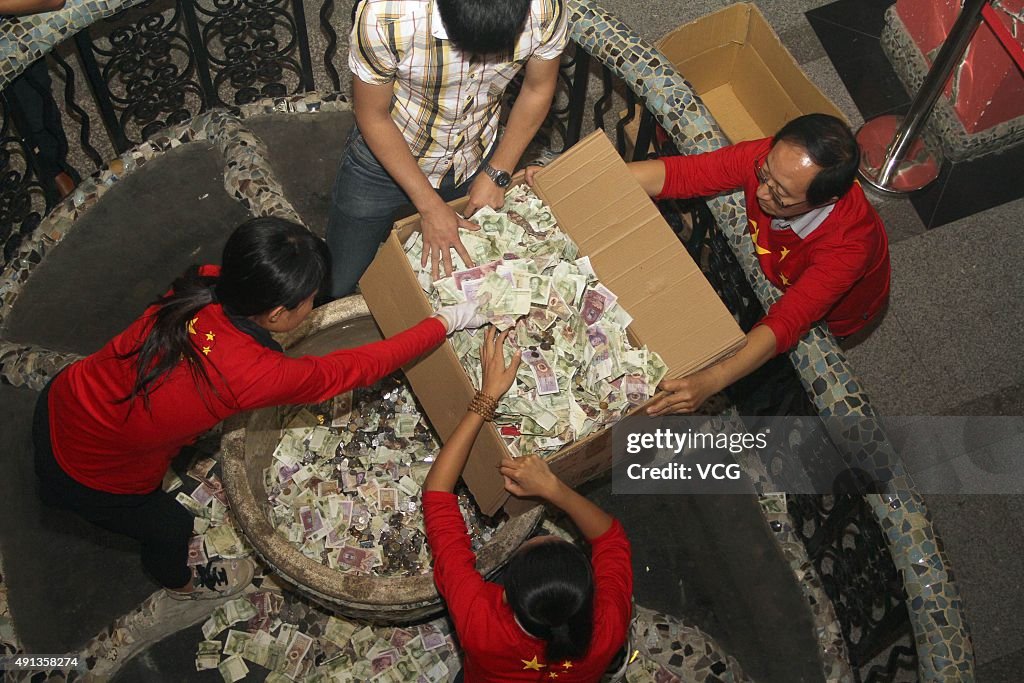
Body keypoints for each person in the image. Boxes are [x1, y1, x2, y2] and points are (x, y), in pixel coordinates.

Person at [33, 217, 484, 600]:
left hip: (63, 397)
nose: (314, 304)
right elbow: (359, 367)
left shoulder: (203, 281)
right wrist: (446, 321)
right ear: (274, 315)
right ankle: (183, 583)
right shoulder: (254, 375)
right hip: (85, 472)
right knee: (170, 524)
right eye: (309, 299)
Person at [627, 113, 891, 414]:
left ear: (824, 201)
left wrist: (710, 381)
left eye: (780, 196)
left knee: (774, 379)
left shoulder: (849, 246)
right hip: (778, 267)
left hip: (839, 311)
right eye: (764, 174)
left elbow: (787, 322)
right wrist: (598, 177)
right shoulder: (777, 164)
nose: (761, 191)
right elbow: (685, 174)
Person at [423, 328, 633, 682]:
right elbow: (611, 539)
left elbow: (436, 496)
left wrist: (486, 397)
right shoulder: (607, 629)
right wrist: (555, 489)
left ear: (504, 595)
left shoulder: (481, 625)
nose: (537, 537)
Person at [326, 0, 568, 297]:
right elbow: (372, 116)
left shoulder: (546, 8)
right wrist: (430, 207)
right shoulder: (385, 14)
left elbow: (537, 89)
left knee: (460, 281)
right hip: (385, 156)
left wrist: (498, 172)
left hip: (474, 155)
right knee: (340, 279)